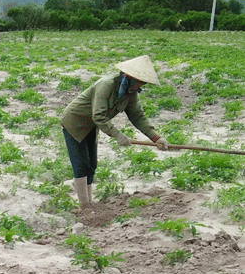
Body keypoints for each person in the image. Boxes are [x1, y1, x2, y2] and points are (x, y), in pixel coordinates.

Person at [60, 55, 170, 210]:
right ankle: (85, 206)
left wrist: (156, 137)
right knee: (81, 165)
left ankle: (90, 203)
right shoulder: (106, 85)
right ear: (129, 77)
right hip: (74, 123)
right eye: (141, 81)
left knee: (91, 165)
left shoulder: (130, 93)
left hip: (91, 126)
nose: (141, 85)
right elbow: (98, 115)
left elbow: (138, 117)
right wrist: (117, 135)